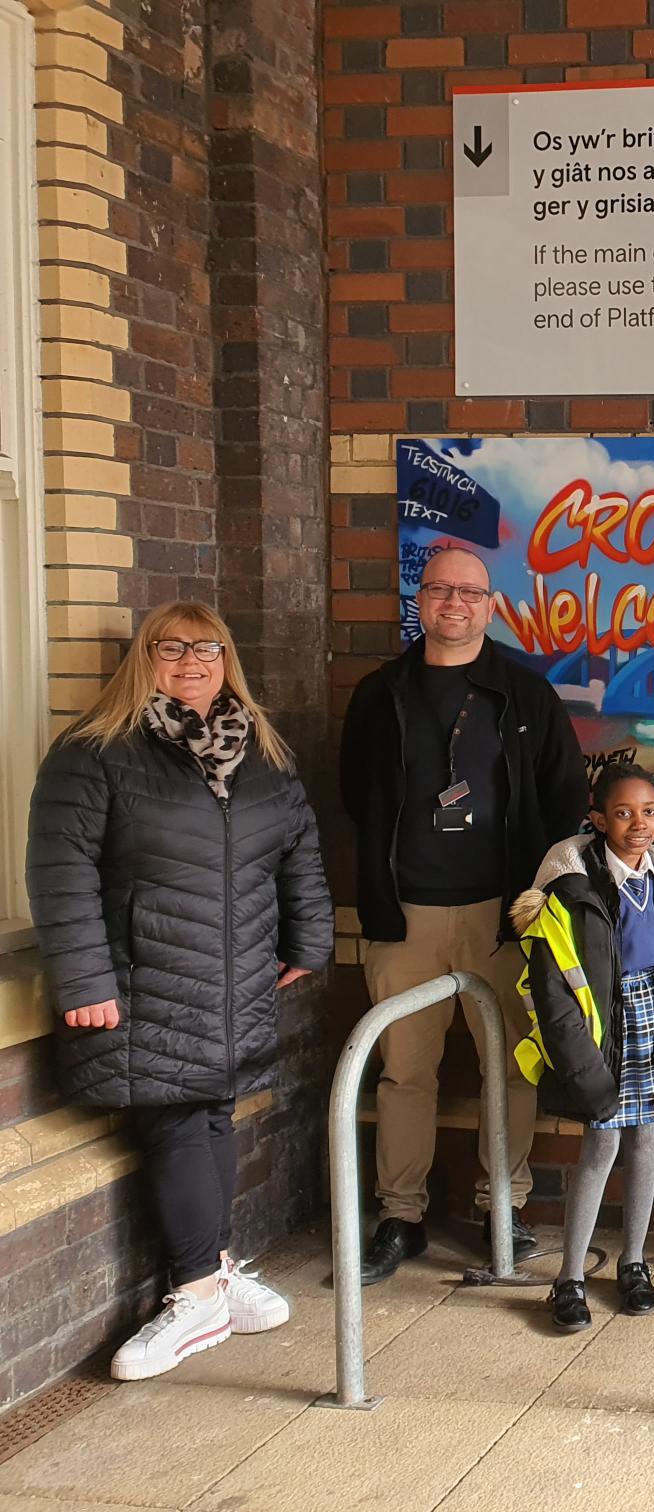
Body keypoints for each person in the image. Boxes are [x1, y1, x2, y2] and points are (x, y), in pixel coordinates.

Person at [27, 602, 332, 1380]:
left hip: (236, 974)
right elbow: (60, 879)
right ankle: (196, 1295)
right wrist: (86, 979)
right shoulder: (94, 753)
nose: (191, 662)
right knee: (172, 1118)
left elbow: (299, 851)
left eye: (209, 647)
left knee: (214, 1111)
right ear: (145, 658)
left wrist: (310, 940)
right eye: (172, 648)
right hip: (144, 974)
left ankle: (214, 1274)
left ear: (228, 659)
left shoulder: (258, 749)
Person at [340, 545, 588, 1284]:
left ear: (490, 605)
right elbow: (357, 795)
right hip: (405, 915)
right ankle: (400, 1215)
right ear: (421, 601)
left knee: (508, 1071)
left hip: (500, 916)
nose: (454, 603)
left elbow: (565, 795)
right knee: (401, 1071)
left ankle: (502, 1209)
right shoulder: (381, 693)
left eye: (470, 592)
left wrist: (537, 898)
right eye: (440, 590)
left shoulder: (523, 692)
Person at [513, 764, 654, 1333]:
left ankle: (634, 1262)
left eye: (648, 811)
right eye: (622, 813)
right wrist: (582, 1069)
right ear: (597, 819)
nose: (637, 824)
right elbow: (555, 989)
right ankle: (569, 1277)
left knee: (646, 1140)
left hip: (653, 1018)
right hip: (603, 1027)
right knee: (601, 1145)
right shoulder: (570, 882)